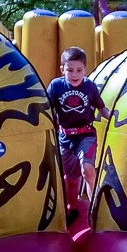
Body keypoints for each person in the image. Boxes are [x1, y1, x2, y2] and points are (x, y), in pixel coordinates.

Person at [47, 47, 110, 225]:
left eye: (79, 70)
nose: (75, 75)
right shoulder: (56, 86)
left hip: (86, 134)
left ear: (85, 69)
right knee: (71, 179)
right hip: (65, 137)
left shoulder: (89, 86)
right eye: (70, 70)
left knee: (87, 169)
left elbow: (101, 108)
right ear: (62, 69)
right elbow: (48, 109)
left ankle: (94, 209)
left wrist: (114, 117)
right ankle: (72, 208)